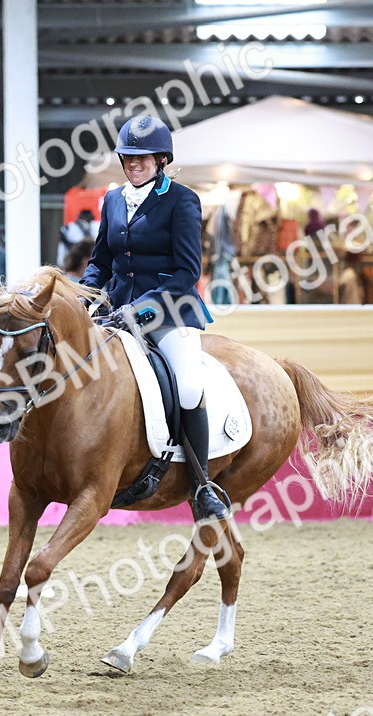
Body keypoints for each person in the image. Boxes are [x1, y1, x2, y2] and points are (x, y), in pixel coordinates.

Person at [79, 115, 228, 521]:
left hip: (167, 312)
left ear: (161, 159)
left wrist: (141, 309)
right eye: (128, 158)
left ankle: (202, 487)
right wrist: (81, 296)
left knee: (188, 387)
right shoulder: (112, 200)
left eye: (143, 158)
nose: (134, 165)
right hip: (115, 312)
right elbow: (100, 262)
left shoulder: (181, 200)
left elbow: (187, 272)